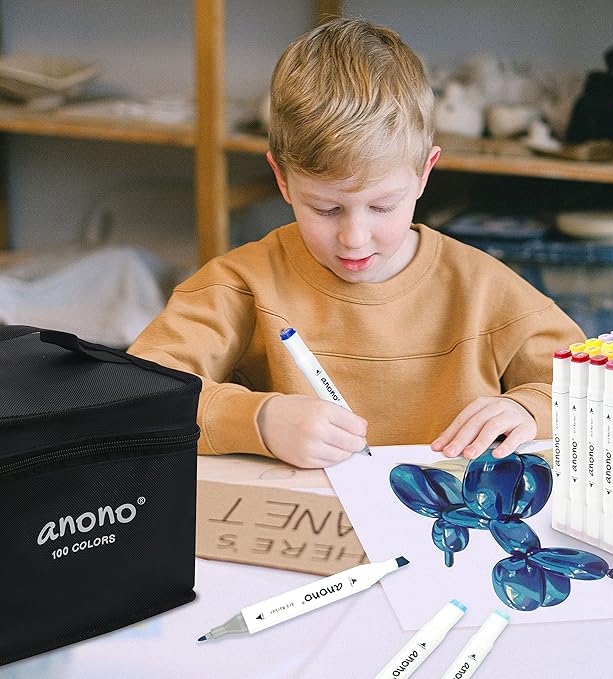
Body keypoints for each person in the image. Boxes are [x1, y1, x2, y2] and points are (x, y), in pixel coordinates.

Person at [128, 17, 584, 468]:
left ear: (424, 173)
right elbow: (134, 396)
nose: (354, 238)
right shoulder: (240, 286)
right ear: (282, 180)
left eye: (383, 206)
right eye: (326, 209)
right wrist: (260, 420)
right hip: (293, 513)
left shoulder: (485, 289)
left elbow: (589, 394)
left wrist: (528, 410)